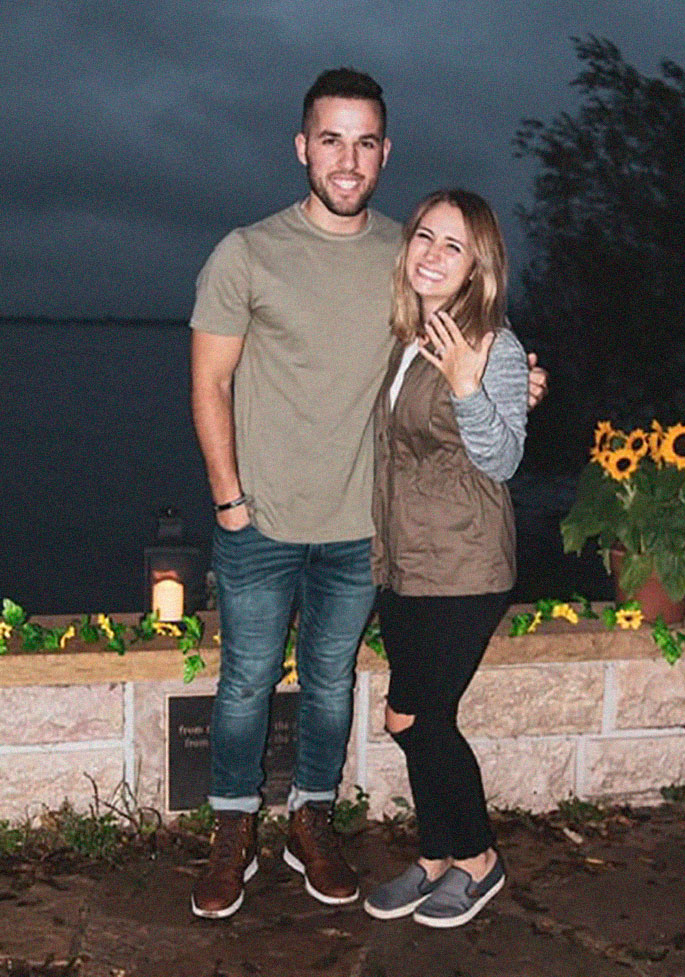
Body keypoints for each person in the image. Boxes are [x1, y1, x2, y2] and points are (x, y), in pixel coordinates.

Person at [189, 68, 547, 920]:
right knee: (244, 683)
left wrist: (509, 383)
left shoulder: (405, 251)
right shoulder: (247, 251)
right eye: (329, 138)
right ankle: (233, 830)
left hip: (364, 535)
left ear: (384, 153)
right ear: (301, 146)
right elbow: (209, 384)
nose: (346, 159)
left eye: (364, 141)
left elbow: (477, 333)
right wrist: (231, 501)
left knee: (331, 684)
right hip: (262, 520)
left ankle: (312, 820)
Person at [364, 189, 526, 928]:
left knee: (411, 715)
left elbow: (503, 457)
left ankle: (478, 860)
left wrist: (468, 388)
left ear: (478, 265)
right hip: (404, 563)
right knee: (428, 717)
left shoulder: (493, 342)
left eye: (451, 245)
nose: (430, 251)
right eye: (423, 235)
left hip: (463, 567)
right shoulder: (409, 335)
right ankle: (435, 857)